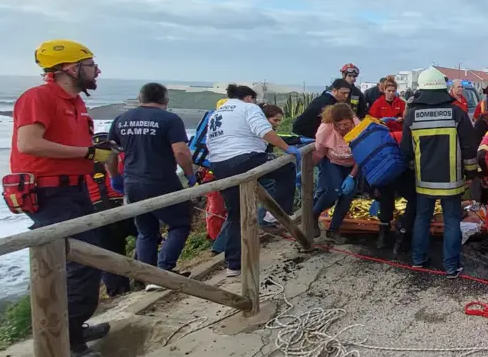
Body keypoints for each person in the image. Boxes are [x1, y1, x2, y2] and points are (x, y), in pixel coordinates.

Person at [10, 40, 120, 357]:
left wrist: (95, 151)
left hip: (74, 190)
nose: (96, 70)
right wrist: (87, 153)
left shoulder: (75, 104)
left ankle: (74, 328)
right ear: (71, 68)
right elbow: (29, 143)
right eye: (90, 64)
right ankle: (66, 342)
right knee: (78, 264)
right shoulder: (39, 97)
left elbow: (70, 144)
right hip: (50, 194)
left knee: (89, 259)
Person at [205, 84, 300, 278]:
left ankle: (233, 264)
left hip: (219, 165)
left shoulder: (217, 113)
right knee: (286, 167)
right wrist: (285, 148)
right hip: (246, 158)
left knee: (235, 213)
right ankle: (279, 213)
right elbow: (264, 131)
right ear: (249, 98)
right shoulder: (249, 108)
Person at [110, 83, 196, 275]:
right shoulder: (169, 119)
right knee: (179, 223)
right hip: (162, 180)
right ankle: (164, 270)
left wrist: (115, 177)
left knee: (146, 231)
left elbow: (109, 153)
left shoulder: (121, 119)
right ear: (165, 100)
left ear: (140, 98)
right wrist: (190, 175)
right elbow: (181, 152)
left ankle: (146, 277)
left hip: (132, 182)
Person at [400, 67, 478, 278]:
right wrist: (471, 175)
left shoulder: (412, 116)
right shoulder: (457, 114)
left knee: (421, 218)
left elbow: (405, 151)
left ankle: (418, 260)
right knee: (452, 221)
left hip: (423, 182)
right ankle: (451, 267)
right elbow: (470, 149)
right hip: (451, 182)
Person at [83, 137, 135, 297]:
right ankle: (146, 276)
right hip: (121, 207)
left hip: (96, 212)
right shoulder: (121, 157)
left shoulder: (83, 165)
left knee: (109, 253)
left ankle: (118, 292)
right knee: (148, 236)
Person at [312, 103, 359, 240]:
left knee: (347, 196)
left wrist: (351, 176)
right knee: (334, 191)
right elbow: (319, 153)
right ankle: (314, 215)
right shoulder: (325, 130)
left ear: (352, 121)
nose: (342, 128)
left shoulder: (360, 128)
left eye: (346, 124)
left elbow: (362, 157)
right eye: (338, 125)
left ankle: (334, 229)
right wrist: (308, 168)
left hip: (352, 164)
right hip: (332, 161)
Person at [292, 78, 356, 139]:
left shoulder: (325, 98)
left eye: (347, 93)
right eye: (343, 93)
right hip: (304, 134)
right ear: (334, 90)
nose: (346, 96)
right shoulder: (328, 104)